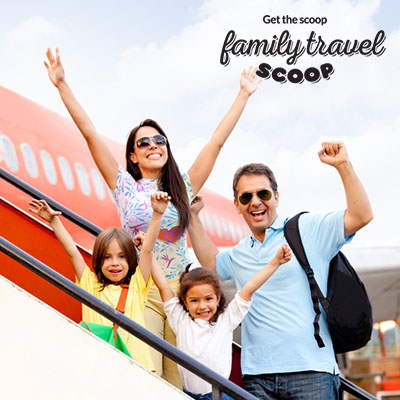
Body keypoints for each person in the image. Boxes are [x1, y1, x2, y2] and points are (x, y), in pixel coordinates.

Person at [44, 48, 262, 386]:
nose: (152, 145)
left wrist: (243, 94)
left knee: (181, 379)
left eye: (158, 139)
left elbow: (216, 143)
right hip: (142, 289)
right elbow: (90, 134)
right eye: (143, 142)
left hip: (181, 292)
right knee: (149, 374)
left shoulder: (183, 187)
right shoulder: (125, 186)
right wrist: (62, 85)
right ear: (132, 154)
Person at [188, 142, 374, 400]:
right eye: (246, 197)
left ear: (276, 196)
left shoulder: (306, 229)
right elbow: (210, 261)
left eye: (262, 194)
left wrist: (343, 165)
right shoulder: (240, 253)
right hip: (257, 377)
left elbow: (362, 215)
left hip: (311, 373)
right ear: (237, 205)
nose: (255, 202)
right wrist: (193, 216)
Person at [136, 192, 291, 400]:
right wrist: (146, 249)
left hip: (219, 395)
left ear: (218, 299)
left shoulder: (225, 320)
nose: (202, 306)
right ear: (184, 303)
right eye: (194, 300)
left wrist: (274, 263)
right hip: (189, 394)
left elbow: (249, 287)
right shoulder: (180, 320)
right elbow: (163, 286)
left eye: (208, 299)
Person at [28, 198, 155, 371]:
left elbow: (147, 251)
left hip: (135, 365)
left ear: (131, 259)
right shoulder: (89, 283)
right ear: (98, 261)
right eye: (107, 257)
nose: (114, 263)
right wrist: (53, 221)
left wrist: (158, 214)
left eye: (122, 256)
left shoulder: (137, 286)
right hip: (98, 363)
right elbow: (72, 252)